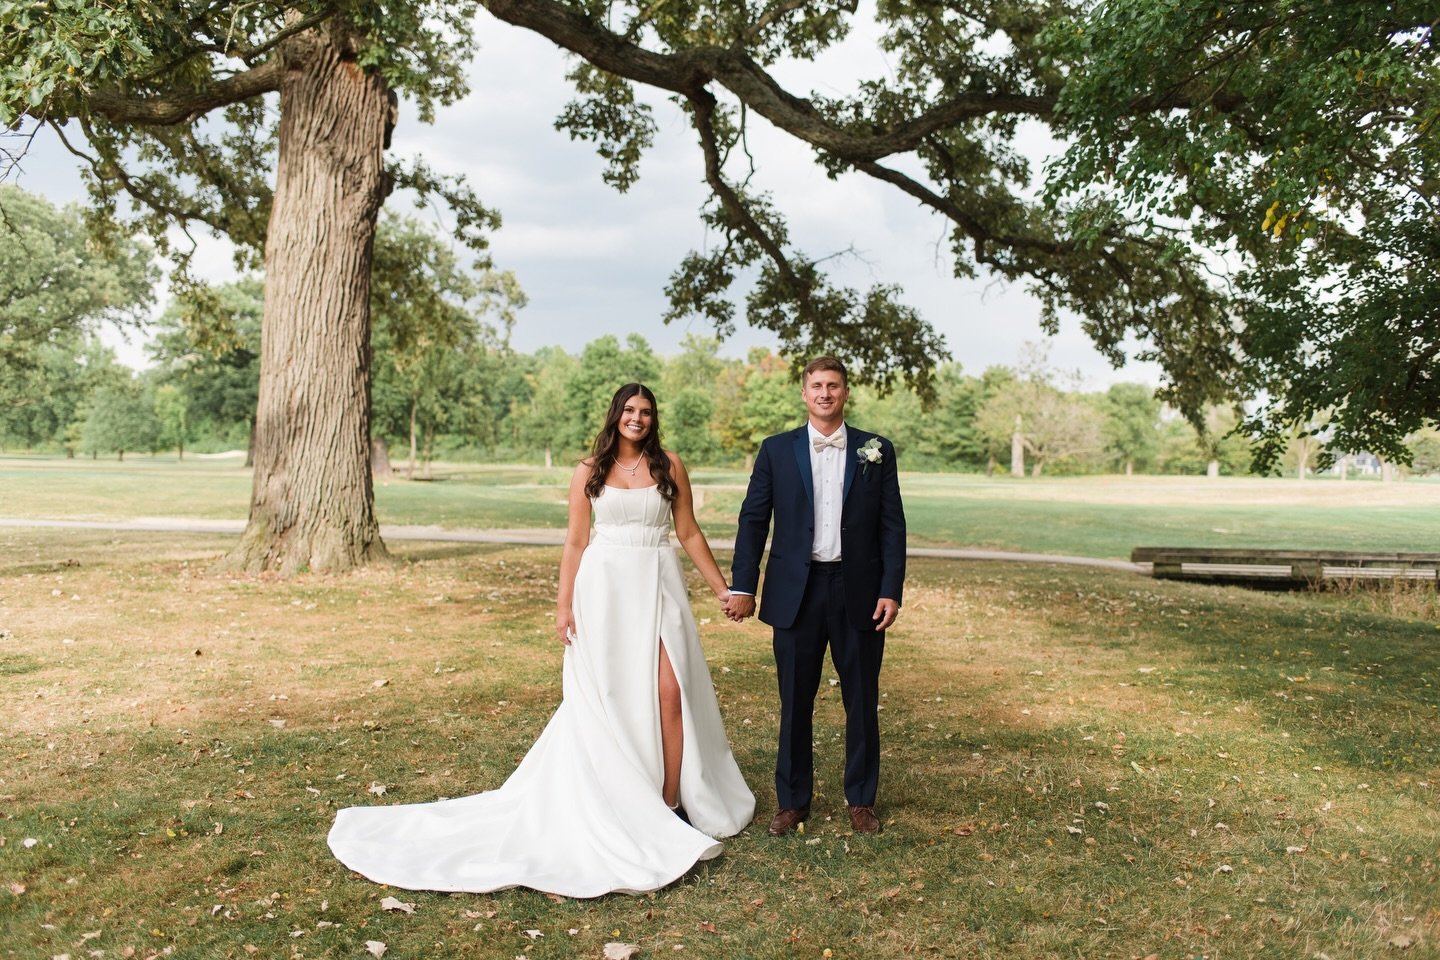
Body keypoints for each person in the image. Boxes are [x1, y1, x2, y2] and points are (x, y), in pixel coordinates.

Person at [328, 383, 755, 897]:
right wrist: (563, 606)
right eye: (628, 411)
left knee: (671, 691)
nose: (636, 419)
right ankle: (624, 793)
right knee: (615, 697)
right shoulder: (589, 469)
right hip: (606, 592)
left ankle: (669, 804)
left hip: (660, 585)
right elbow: (576, 541)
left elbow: (687, 531)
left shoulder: (669, 464)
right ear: (615, 415)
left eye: (645, 412)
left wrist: (722, 588)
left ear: (652, 418)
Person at [724, 357, 905, 836]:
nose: (825, 393)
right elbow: (753, 520)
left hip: (859, 590)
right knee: (794, 700)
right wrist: (743, 583)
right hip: (795, 592)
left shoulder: (876, 450)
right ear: (804, 393)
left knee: (862, 698)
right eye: (817, 386)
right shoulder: (776, 451)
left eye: (834, 386)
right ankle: (792, 800)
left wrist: (891, 590)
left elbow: (892, 527)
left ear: (846, 393)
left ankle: (861, 800)